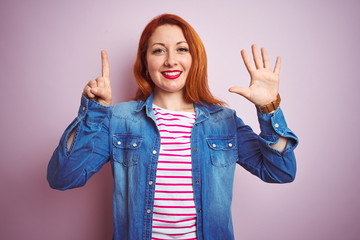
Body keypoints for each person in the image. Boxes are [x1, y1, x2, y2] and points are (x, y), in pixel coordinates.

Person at [47, 13, 298, 240]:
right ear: (145, 61)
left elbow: (281, 172)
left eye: (181, 49)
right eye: (158, 51)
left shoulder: (224, 121)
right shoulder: (120, 118)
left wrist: (269, 109)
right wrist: (94, 113)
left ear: (194, 58)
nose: (170, 60)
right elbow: (63, 176)